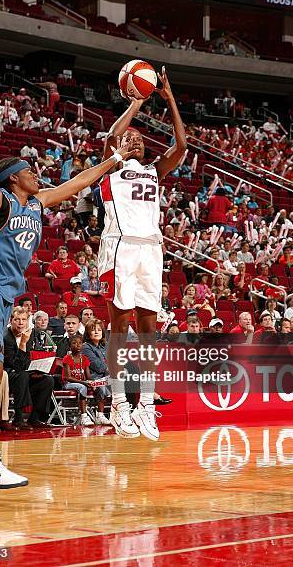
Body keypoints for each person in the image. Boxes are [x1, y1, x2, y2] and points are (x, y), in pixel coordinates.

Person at [0, 144, 131, 489]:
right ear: (14, 177)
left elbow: (74, 185)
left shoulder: (37, 203)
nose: (36, 174)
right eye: (28, 170)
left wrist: (114, 159)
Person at [100, 66, 187, 441]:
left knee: (149, 331)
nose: (134, 141)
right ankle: (119, 405)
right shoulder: (112, 166)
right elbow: (112, 135)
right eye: (130, 138)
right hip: (119, 246)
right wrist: (136, 104)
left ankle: (147, 406)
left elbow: (181, 146)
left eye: (138, 139)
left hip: (151, 249)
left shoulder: (153, 169)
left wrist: (168, 100)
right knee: (119, 329)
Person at [4, 306, 54, 430]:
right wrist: (22, 344)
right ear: (11, 321)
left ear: (28, 321)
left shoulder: (30, 335)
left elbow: (28, 360)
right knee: (23, 376)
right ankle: (19, 417)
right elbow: (13, 364)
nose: (21, 323)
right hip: (8, 374)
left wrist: (35, 371)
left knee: (48, 380)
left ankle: (35, 417)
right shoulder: (6, 337)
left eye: (24, 320)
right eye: (17, 319)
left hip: (24, 372)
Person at [82, 318, 111, 425]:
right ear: (88, 333)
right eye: (93, 330)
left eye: (99, 329)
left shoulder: (105, 345)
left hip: (107, 375)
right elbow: (97, 366)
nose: (96, 332)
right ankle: (100, 415)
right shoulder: (85, 347)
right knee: (102, 383)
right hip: (93, 377)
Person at [61, 334, 94, 427]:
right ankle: (84, 416)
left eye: (80, 343)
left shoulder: (84, 359)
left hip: (81, 383)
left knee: (99, 387)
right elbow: (68, 377)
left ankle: (100, 414)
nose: (78, 345)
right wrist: (84, 382)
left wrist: (93, 382)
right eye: (74, 343)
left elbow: (88, 376)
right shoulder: (67, 358)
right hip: (68, 384)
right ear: (70, 346)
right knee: (82, 387)